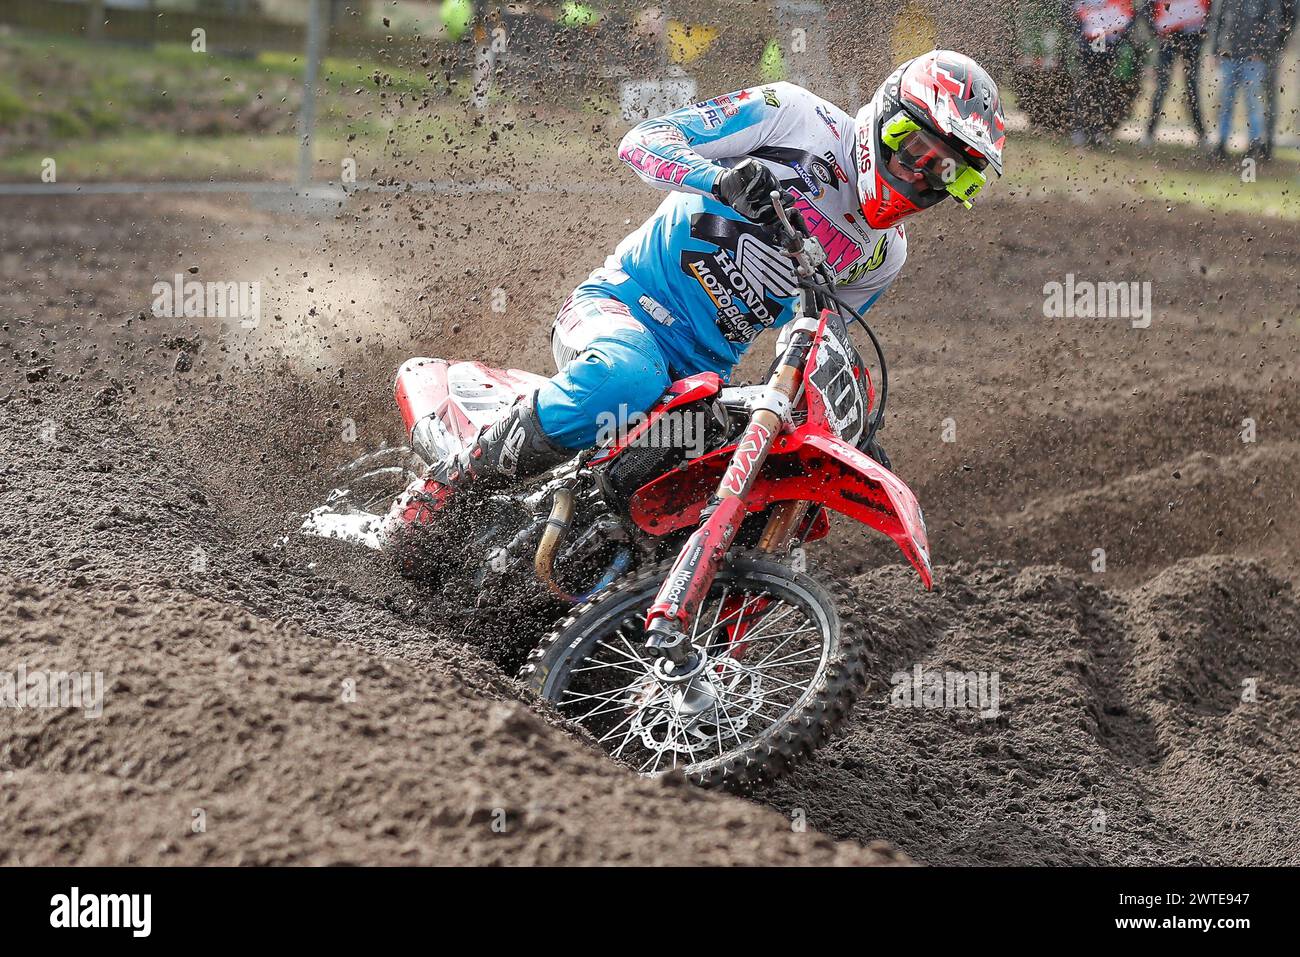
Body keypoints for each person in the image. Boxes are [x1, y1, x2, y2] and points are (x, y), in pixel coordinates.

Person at [391, 50, 1006, 525]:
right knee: (625, 378)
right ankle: (441, 491)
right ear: (882, 119)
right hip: (624, 309)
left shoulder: (883, 253)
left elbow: (818, 344)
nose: (923, 179)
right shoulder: (794, 116)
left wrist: (857, 434)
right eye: (915, 150)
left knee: (741, 481)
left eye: (951, 175)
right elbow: (643, 141)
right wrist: (720, 180)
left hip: (706, 377)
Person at [1211, 0, 1290, 158]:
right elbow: (1218, 21)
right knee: (1226, 102)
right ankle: (1221, 145)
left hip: (1253, 60)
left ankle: (1255, 145)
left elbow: (1273, 24)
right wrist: (1215, 50)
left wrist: (1261, 51)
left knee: (1254, 104)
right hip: (1229, 56)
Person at [1142, 0, 1211, 147]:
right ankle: (1149, 131)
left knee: (1192, 86)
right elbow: (1146, 7)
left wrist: (1205, 29)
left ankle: (1201, 133)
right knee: (1162, 85)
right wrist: (1155, 30)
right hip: (1168, 36)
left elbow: (1210, 8)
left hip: (1192, 35)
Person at [1070, 0, 1137, 145]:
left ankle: (1098, 130)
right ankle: (1079, 128)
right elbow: (1072, 13)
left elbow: (1129, 15)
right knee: (1086, 86)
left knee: (1103, 87)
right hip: (1088, 42)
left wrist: (1119, 32)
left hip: (1110, 41)